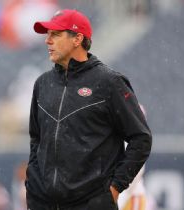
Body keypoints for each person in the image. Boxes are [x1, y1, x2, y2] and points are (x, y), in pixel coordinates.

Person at [26, 9, 152, 210]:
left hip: (91, 204)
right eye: (47, 35)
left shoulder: (109, 82)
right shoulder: (42, 83)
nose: (47, 41)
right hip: (44, 204)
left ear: (77, 39)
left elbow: (141, 139)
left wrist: (113, 189)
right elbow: (36, 140)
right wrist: (33, 187)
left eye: (55, 35)